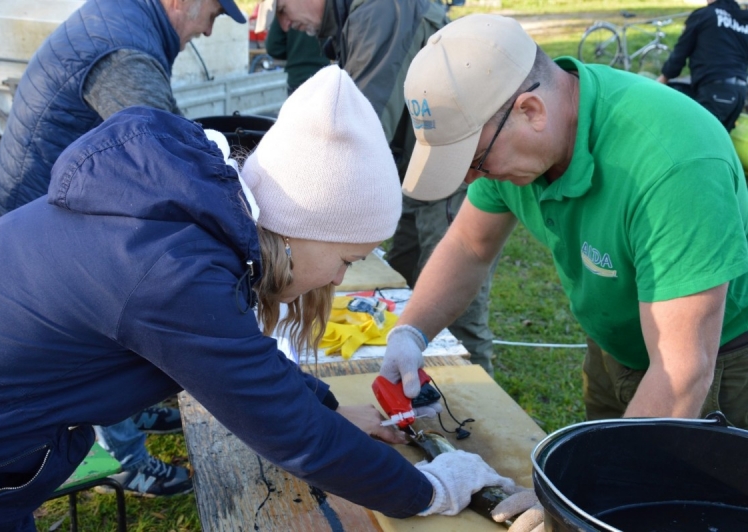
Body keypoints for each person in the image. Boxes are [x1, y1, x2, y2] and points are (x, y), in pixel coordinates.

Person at [0, 66, 533, 532]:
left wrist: (330, 409)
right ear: (304, 228)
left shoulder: (180, 213)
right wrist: (431, 490)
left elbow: (246, 363)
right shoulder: (169, 270)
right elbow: (293, 436)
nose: (336, 279)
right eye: (346, 260)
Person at [380, 14, 748, 530]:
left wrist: (574, 494)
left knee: (672, 511)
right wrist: (411, 331)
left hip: (720, 364)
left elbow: (683, 370)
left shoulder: (673, 161)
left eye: (476, 161)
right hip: (616, 348)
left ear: (531, 110)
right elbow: (468, 244)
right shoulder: (515, 141)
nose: (471, 177)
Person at [0, 0, 248, 496]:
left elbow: (162, 130)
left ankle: (136, 409)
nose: (211, 29)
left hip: (43, 194)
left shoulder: (127, 16)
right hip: (35, 206)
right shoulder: (124, 53)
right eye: (213, 11)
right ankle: (125, 461)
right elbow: (162, 162)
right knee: (104, 335)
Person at [274, 0, 499, 375]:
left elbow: (359, 126)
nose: (284, 24)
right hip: (413, 166)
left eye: (281, 9)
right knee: (399, 293)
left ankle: (477, 409)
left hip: (454, 168)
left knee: (452, 309)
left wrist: (303, 208)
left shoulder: (380, 9)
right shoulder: (353, 14)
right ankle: (409, 390)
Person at [658, 0, 748, 132]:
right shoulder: (743, 20)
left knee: (696, 140)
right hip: (739, 94)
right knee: (717, 142)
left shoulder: (705, 15)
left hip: (715, 91)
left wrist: (664, 78)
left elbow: (681, 52)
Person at [265, 15, 330, 95]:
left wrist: (294, 54)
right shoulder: (333, 3)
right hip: (328, 77)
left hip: (297, 78)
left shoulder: (288, 4)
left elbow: (273, 47)